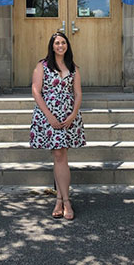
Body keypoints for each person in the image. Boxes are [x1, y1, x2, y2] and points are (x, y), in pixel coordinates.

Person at [30, 32, 86, 220]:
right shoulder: (42, 65)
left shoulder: (73, 67)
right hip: (48, 114)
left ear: (67, 45)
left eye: (63, 42)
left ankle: (61, 200)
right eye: (57, 43)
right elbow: (36, 92)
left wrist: (72, 115)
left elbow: (78, 94)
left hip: (68, 116)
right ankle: (65, 201)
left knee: (61, 154)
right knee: (58, 153)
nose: (60, 46)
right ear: (52, 46)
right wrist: (49, 116)